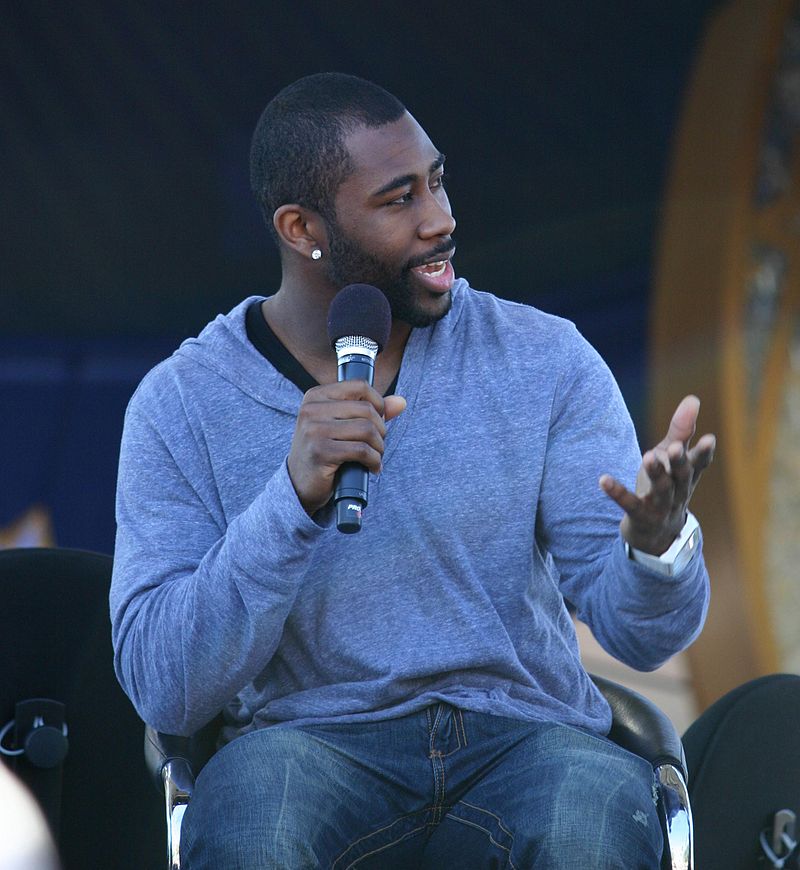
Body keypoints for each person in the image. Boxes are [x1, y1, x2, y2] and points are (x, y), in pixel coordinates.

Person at [110, 72, 715, 868]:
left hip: (528, 740)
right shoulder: (181, 402)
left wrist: (656, 549)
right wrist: (288, 501)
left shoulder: (543, 357)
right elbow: (164, 686)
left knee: (590, 828)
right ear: (302, 228)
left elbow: (641, 638)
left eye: (437, 181)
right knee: (254, 830)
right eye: (399, 199)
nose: (443, 220)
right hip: (306, 744)